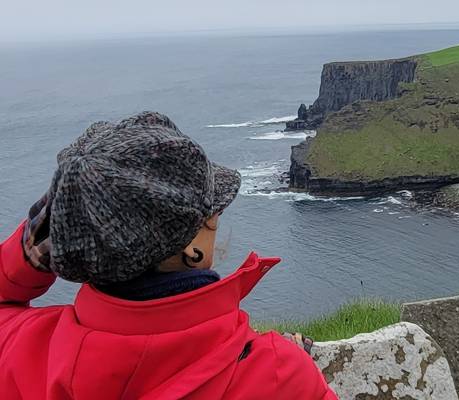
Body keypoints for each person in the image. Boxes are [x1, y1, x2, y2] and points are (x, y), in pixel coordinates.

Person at [0, 112, 338, 399]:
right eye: (211, 214)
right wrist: (296, 367)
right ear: (191, 250)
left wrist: (58, 222)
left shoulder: (24, 351)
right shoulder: (278, 374)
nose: (217, 220)